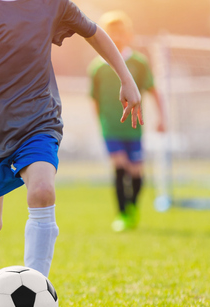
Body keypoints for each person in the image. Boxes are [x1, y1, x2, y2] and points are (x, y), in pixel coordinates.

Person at [0, 0, 143, 307]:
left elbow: (94, 33)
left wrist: (127, 78)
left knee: (42, 191)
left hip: (38, 120)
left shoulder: (53, 4)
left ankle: (35, 292)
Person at [88, 11, 166, 232]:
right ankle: (122, 214)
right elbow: (94, 100)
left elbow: (153, 91)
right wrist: (100, 124)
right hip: (111, 128)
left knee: (137, 175)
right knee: (120, 168)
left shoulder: (139, 63)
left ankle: (132, 208)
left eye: (120, 32)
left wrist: (161, 118)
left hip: (134, 129)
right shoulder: (97, 68)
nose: (116, 36)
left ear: (129, 35)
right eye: (111, 32)